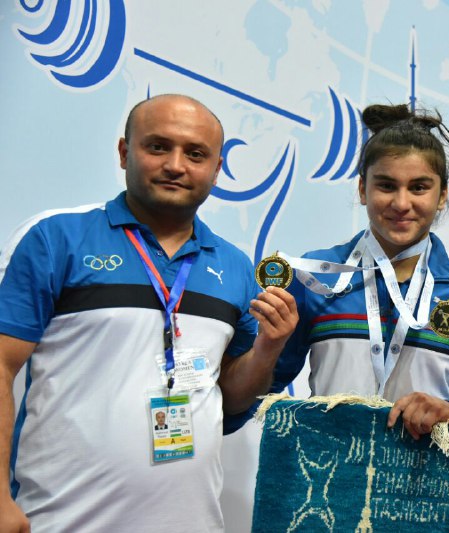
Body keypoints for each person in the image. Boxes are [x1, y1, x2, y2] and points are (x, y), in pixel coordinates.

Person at [0, 94, 298, 532]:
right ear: (125, 152)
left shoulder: (235, 267)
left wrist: (269, 349)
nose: (176, 165)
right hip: (59, 519)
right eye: (158, 147)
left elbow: (233, 398)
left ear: (216, 169)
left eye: (195, 154)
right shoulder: (56, 238)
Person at [268, 103, 449, 438]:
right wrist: (266, 345)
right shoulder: (316, 278)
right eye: (386, 186)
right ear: (363, 189)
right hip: (325, 469)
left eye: (419, 187)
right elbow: (261, 389)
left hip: (425, 470)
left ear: (442, 195)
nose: (401, 204)